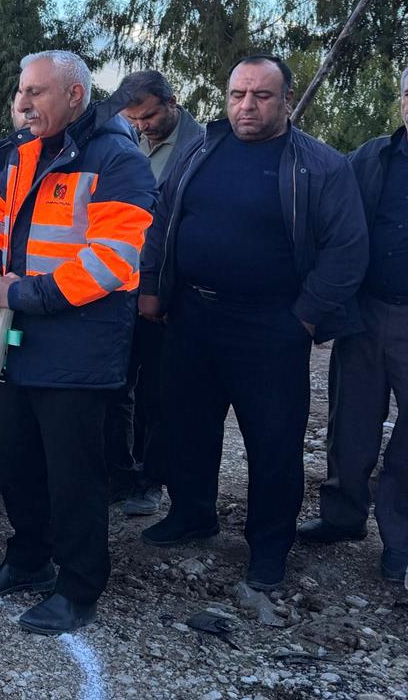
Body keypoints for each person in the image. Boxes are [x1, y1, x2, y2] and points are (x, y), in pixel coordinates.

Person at [139, 54, 368, 592]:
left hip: (273, 325)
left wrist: (305, 319)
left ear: (286, 99)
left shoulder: (319, 165)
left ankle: (268, 546)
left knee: (273, 442)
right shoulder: (200, 147)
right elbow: (162, 218)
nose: (247, 106)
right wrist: (152, 285)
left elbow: (347, 251)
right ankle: (193, 513)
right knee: (187, 426)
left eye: (261, 96)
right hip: (192, 314)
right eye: (238, 94)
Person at [0, 50, 155, 635]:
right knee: (17, 462)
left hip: (78, 348)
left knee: (73, 474)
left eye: (37, 93)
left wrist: (27, 294)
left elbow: (112, 261)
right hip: (17, 343)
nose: (22, 103)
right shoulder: (23, 155)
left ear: (74, 97)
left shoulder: (117, 161)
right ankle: (28, 560)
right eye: (21, 92)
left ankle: (78, 585)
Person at [300, 66, 408, 583]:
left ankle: (401, 541)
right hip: (366, 314)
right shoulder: (371, 156)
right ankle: (343, 517)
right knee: (352, 422)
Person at [110, 70, 204, 518]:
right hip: (119, 288)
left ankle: (151, 481)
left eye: (148, 116)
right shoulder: (124, 144)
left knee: (159, 395)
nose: (142, 125)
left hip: (167, 297)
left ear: (171, 101)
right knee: (117, 387)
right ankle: (119, 473)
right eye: (133, 119)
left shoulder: (200, 149)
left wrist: (161, 291)